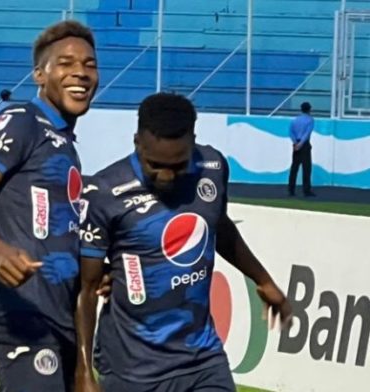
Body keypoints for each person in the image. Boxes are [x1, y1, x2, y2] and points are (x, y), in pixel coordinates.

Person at [74, 93, 293, 392]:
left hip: (203, 359)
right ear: (137, 142)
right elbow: (85, 290)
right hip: (132, 368)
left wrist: (263, 279)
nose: (166, 176)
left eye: (178, 166)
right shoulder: (104, 193)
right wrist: (84, 373)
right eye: (154, 165)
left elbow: (219, 226)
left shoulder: (213, 168)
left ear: (193, 140)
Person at [0, 20, 99, 392]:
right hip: (15, 313)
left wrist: (83, 366)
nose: (80, 72)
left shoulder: (65, 145)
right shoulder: (20, 121)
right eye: (65, 63)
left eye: (89, 64)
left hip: (57, 320)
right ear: (39, 75)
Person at [288, 102, 315, 197]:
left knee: (294, 168)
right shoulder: (310, 120)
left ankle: (291, 190)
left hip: (296, 144)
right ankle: (306, 190)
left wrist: (295, 143)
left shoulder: (295, 120)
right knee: (306, 168)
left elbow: (290, 132)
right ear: (309, 109)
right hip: (304, 145)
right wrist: (301, 144)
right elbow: (307, 133)